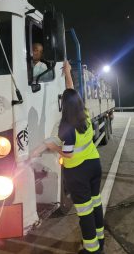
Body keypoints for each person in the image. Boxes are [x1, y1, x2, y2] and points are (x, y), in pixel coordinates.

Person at [31, 61, 104, 254]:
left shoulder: (66, 127)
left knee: (84, 211)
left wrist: (51, 145)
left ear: (64, 105)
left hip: (78, 171)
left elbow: (68, 153)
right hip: (94, 165)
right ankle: (100, 238)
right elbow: (71, 91)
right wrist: (68, 74)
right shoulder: (84, 114)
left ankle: (92, 249)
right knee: (96, 203)